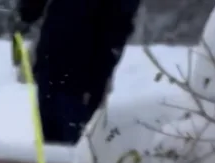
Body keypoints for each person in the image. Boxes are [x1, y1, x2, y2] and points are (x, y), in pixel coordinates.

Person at [12, 0, 142, 145]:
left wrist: (99, 80)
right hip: (52, 63)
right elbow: (29, 12)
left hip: (84, 76)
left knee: (74, 147)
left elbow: (119, 26)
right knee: (50, 146)